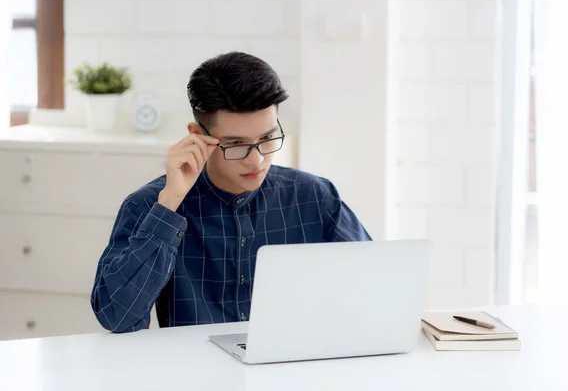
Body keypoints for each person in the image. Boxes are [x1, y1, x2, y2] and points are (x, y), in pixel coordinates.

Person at [90, 52, 371, 333]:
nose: (256, 160)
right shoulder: (149, 205)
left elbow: (374, 286)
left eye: (267, 138)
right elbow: (118, 318)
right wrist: (169, 204)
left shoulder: (315, 197)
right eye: (237, 143)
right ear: (197, 136)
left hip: (293, 371)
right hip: (193, 373)